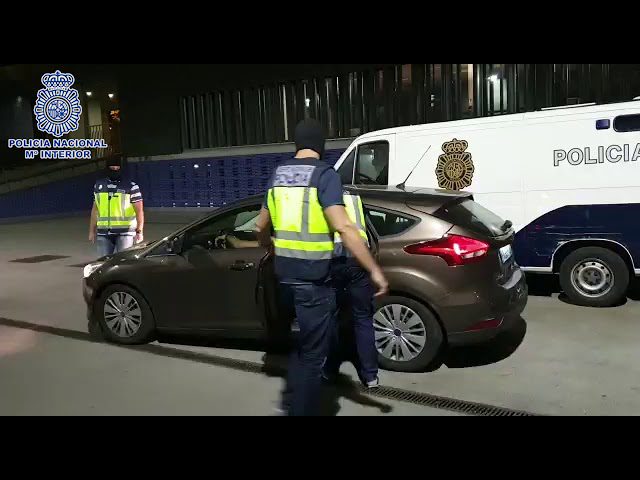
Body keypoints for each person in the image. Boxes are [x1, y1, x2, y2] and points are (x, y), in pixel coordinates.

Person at [254, 119, 388, 416]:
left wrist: (270, 246)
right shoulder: (325, 175)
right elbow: (344, 227)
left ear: (297, 144)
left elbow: (260, 225)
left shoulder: (278, 174)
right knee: (314, 355)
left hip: (285, 279)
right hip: (314, 281)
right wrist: (374, 270)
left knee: (304, 344)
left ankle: (290, 400)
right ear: (321, 145)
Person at [324, 188, 379, 389]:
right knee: (363, 318)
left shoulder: (322, 194)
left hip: (335, 259)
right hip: (359, 258)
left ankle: (329, 370)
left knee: (332, 317)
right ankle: (371, 375)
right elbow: (368, 229)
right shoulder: (355, 197)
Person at [89, 155, 144, 257]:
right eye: (112, 168)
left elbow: (139, 211)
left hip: (125, 233)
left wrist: (139, 231)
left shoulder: (131, 186)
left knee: (124, 263)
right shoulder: (99, 186)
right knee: (102, 263)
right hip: (103, 232)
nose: (115, 170)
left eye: (117, 168)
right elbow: (95, 210)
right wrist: (92, 231)